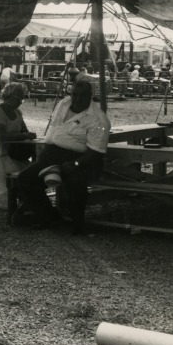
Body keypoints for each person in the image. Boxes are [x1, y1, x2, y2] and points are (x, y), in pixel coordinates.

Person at [14, 79, 110, 234]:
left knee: (75, 184)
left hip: (80, 158)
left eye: (82, 95)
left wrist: (76, 164)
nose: (77, 98)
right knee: (25, 179)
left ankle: (77, 225)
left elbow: (96, 152)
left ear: (90, 95)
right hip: (51, 154)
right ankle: (50, 218)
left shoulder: (99, 119)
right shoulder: (64, 103)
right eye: (75, 94)